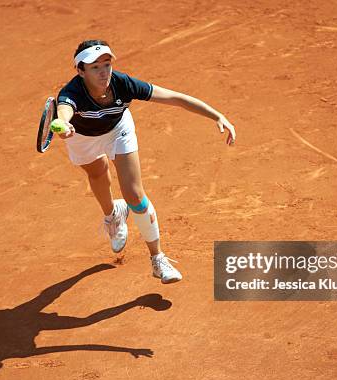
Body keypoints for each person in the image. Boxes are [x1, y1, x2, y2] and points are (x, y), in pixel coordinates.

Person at [55, 39, 236, 284]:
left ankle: (158, 259)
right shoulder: (71, 92)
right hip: (83, 138)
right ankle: (113, 214)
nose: (103, 71)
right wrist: (64, 123)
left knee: (134, 193)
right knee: (97, 174)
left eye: (106, 64)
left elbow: (174, 97)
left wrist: (216, 114)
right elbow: (64, 110)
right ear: (80, 71)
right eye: (95, 67)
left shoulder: (123, 84)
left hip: (118, 130)